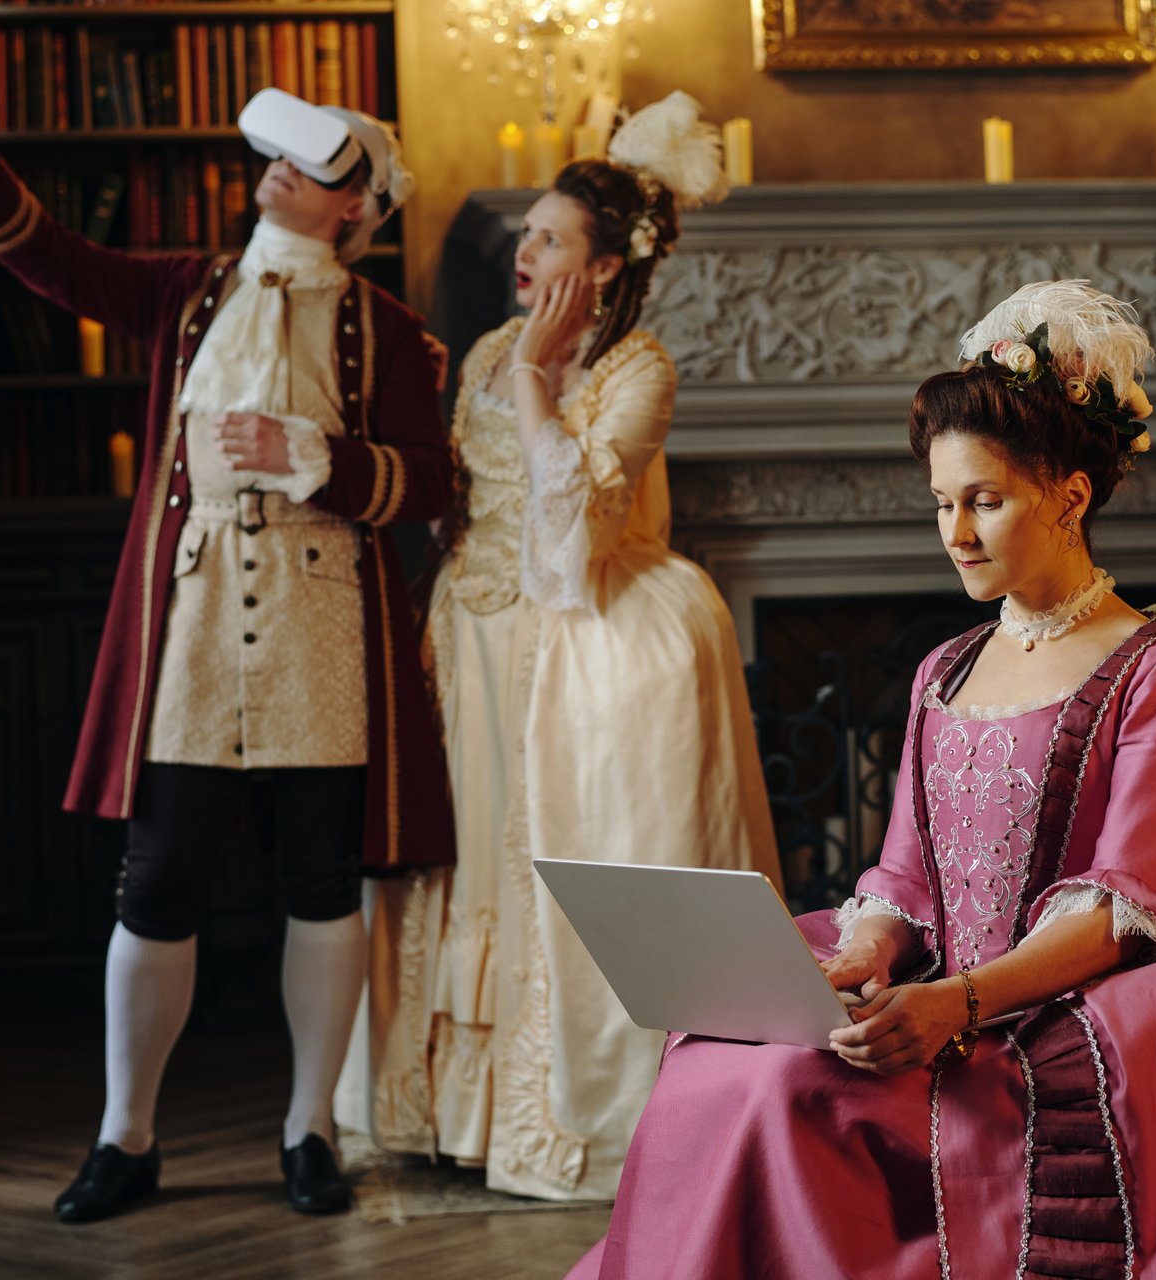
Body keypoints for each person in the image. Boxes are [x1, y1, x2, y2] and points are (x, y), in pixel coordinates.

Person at [568, 281, 1156, 1278]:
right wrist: (863, 956)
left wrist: (954, 1005)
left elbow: (1112, 916)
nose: (956, 532)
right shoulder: (944, 668)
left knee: (780, 1094)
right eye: (942, 503)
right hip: (928, 996)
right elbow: (903, 876)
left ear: (1070, 497)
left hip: (1040, 1018)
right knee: (718, 1064)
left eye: (984, 502)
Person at [0, 46, 456, 1222]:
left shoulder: (390, 330)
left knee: (323, 884)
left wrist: (319, 457)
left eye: (309, 166)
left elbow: (430, 484)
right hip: (191, 629)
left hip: (325, 634)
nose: (277, 170)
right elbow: (53, 261)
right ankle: (127, 1134)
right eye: (277, 155)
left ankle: (310, 1130)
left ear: (354, 205)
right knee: (155, 885)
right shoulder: (188, 290)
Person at [339, 93, 781, 1202]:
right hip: (467, 639)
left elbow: (577, 531)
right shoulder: (489, 346)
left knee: (550, 863)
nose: (523, 252)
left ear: (606, 265)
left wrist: (541, 378)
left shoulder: (638, 369)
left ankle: (573, 1121)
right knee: (456, 862)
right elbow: (462, 496)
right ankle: (449, 1114)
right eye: (525, 234)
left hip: (581, 644)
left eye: (548, 238)